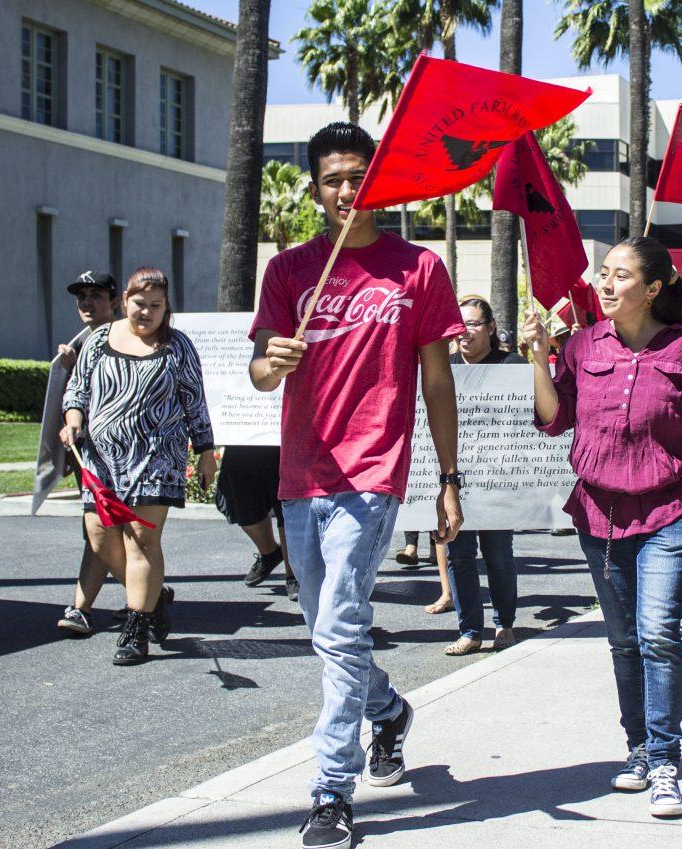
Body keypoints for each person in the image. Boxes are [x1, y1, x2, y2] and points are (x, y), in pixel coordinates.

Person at [248, 122, 465, 849]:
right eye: (333, 179)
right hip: (302, 474)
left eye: (358, 177)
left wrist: (449, 479)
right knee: (327, 626)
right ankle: (390, 710)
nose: (347, 191)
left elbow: (436, 379)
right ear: (316, 189)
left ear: (379, 181)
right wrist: (271, 363)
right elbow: (258, 370)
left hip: (374, 472)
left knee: (339, 620)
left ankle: (330, 791)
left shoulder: (420, 270)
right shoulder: (287, 273)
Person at [525, 236, 682, 819]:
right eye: (603, 273)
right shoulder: (580, 345)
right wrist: (537, 358)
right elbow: (555, 422)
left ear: (652, 289)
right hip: (598, 516)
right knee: (624, 641)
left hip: (671, 513)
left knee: (657, 635)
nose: (605, 283)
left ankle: (666, 763)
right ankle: (638, 748)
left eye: (619, 275)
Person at [60, 268, 216, 664]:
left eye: (156, 306)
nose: (146, 312)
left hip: (157, 458)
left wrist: (205, 451)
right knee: (98, 534)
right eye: (139, 303)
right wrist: (73, 418)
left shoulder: (177, 346)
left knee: (141, 540)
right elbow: (77, 388)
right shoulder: (99, 340)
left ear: (167, 309)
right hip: (101, 458)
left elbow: (194, 400)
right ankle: (153, 592)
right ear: (125, 300)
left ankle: (136, 628)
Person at [444, 296, 525, 656]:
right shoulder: (442, 367)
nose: (465, 332)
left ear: (491, 327)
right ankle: (470, 630)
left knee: (497, 554)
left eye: (474, 324)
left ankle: (504, 623)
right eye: (460, 324)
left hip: (496, 480)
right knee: (458, 556)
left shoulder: (512, 365)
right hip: (453, 481)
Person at [55, 271, 123, 636]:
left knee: (111, 531)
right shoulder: (80, 342)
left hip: (128, 456)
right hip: (92, 456)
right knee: (97, 529)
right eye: (81, 295)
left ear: (114, 301)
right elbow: (75, 401)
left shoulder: (126, 337)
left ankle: (147, 593)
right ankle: (143, 593)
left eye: (96, 295)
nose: (86, 302)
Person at [214, 445, 298, 601]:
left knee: (288, 507)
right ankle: (270, 553)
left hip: (284, 442)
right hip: (242, 441)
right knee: (242, 507)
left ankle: (294, 576)